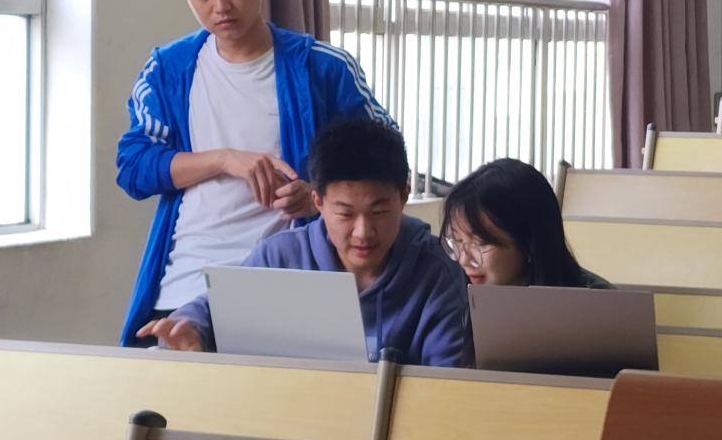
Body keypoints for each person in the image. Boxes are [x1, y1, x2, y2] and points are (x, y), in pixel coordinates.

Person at [116, 0, 392, 346]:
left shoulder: (322, 68)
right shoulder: (168, 70)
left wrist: (317, 195)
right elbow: (133, 167)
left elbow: (385, 158)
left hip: (287, 282)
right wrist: (226, 160)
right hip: (185, 283)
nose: (220, 7)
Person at [142, 118, 474, 368]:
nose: (363, 232)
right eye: (345, 213)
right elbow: (211, 310)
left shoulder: (438, 274)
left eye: (379, 211)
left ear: (403, 196)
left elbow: (446, 387)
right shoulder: (280, 257)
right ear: (317, 201)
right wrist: (191, 329)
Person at [440, 158, 613, 289]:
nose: (464, 259)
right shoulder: (454, 295)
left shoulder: (595, 305)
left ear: (530, 242)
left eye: (480, 243)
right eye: (457, 241)